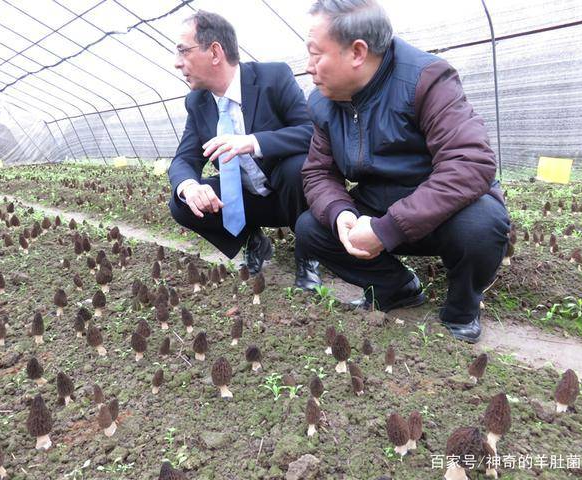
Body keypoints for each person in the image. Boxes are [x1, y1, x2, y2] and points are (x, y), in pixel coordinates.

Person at [295, 0, 510, 343]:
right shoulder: (324, 103)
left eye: (316, 54)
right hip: (379, 205)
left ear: (357, 52)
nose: (309, 67)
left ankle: (462, 308)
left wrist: (388, 228)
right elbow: (318, 173)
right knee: (311, 227)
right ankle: (397, 288)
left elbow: (470, 162)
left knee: (481, 225)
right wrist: (341, 213)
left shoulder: (426, 79)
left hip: (442, 212)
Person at [168, 10, 321, 289]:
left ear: (215, 52)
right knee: (180, 202)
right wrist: (190, 186)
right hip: (248, 198)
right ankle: (253, 240)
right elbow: (184, 158)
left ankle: (309, 257)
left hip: (289, 193)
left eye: (183, 52)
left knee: (297, 167)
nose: (178, 63)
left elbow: (312, 131)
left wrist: (253, 141)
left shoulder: (272, 77)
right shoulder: (198, 102)